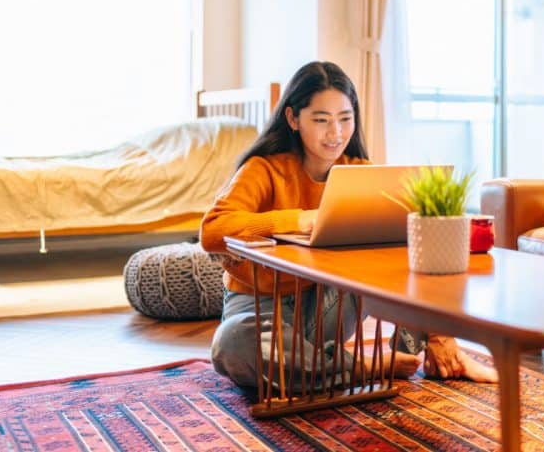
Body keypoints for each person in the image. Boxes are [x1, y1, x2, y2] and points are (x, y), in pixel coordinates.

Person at [200, 61, 497, 392]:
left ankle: (406, 354)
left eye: (345, 118)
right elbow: (212, 230)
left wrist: (442, 335)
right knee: (230, 345)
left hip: (324, 308)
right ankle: (360, 368)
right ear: (293, 119)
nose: (336, 133)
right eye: (321, 120)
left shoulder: (360, 173)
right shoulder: (263, 169)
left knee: (401, 245)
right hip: (259, 312)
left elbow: (403, 249)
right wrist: (300, 218)